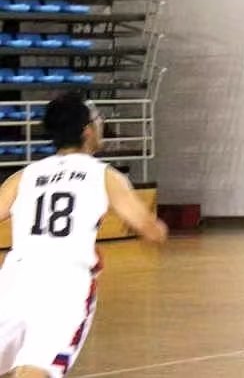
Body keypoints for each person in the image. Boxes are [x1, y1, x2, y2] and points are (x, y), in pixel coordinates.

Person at [0, 92, 168, 378]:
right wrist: (156, 230)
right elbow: (150, 229)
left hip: (15, 277)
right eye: (98, 119)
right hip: (66, 282)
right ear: (87, 131)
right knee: (37, 367)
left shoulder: (25, 175)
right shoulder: (104, 175)